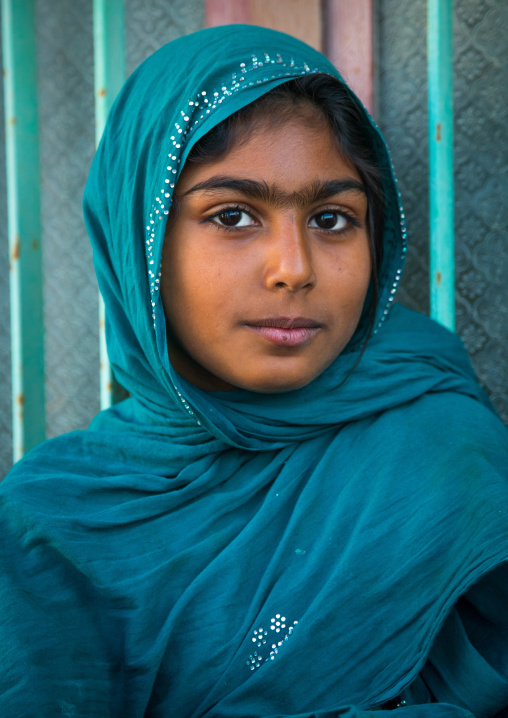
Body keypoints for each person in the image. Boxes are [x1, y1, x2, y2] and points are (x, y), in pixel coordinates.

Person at [1, 24, 507, 718]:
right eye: (233, 215)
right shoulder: (45, 528)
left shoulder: (440, 451)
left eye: (332, 219)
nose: (293, 269)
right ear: (139, 244)